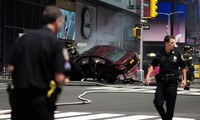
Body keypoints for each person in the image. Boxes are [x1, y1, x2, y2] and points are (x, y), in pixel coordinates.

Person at [7, 6, 70, 120]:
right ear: (58, 21)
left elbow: (10, 69)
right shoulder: (56, 44)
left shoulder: (22, 40)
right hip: (41, 102)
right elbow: (59, 78)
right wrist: (65, 80)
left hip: (19, 100)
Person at [145, 35, 187, 120]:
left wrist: (184, 79)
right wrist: (148, 75)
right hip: (162, 83)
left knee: (170, 107)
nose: (173, 44)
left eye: (174, 42)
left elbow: (183, 67)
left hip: (172, 84)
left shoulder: (177, 54)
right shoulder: (159, 54)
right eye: (172, 42)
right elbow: (153, 65)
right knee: (157, 102)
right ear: (166, 43)